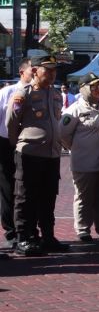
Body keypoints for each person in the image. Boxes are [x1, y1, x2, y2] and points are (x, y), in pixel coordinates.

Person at [6, 54, 65, 256]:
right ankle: (24, 238)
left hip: (51, 154)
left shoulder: (56, 94)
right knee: (25, 197)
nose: (52, 73)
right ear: (35, 70)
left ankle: (47, 236)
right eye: (47, 69)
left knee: (49, 197)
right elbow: (12, 123)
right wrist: (20, 144)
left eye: (54, 70)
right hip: (30, 154)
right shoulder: (24, 93)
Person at [59, 73, 99, 243]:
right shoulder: (74, 110)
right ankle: (83, 229)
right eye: (93, 86)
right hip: (84, 163)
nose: (98, 90)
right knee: (83, 197)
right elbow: (62, 134)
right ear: (84, 89)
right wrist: (75, 148)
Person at [0, 57, 33, 246]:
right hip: (6, 144)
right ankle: (11, 231)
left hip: (29, 147)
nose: (35, 74)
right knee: (8, 189)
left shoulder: (39, 94)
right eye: (32, 70)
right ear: (22, 72)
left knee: (28, 190)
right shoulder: (7, 93)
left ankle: (27, 229)